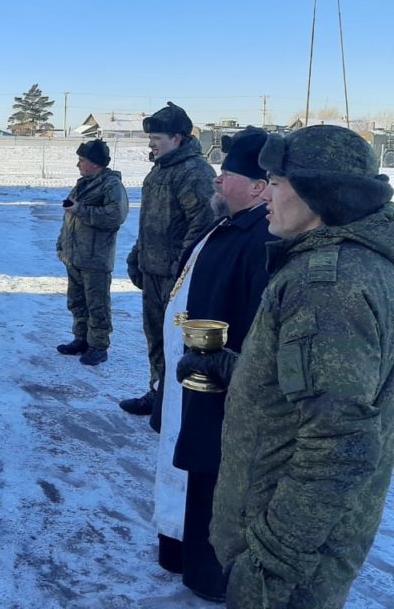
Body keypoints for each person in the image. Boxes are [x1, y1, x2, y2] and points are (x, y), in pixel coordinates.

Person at [210, 125, 394, 609]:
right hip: (304, 545)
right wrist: (235, 369)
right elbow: (324, 389)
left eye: (276, 182)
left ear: (319, 193)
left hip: (290, 563)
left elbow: (339, 443)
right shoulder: (358, 263)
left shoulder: (327, 286)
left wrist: (271, 561)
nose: (265, 193)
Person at [152, 127, 272, 602]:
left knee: (212, 477)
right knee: (186, 468)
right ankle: (179, 548)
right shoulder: (228, 223)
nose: (218, 182)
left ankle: (207, 571)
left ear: (260, 187)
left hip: (218, 390)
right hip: (190, 379)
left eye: (228, 175)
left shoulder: (260, 239)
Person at [122, 102, 216, 415]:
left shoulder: (195, 173)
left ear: (177, 138)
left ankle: (175, 404)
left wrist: (181, 271)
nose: (150, 143)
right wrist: (138, 256)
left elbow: (201, 225)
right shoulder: (159, 170)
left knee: (177, 342)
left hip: (175, 278)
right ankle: (158, 392)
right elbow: (150, 221)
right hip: (153, 271)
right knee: (156, 338)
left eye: (156, 138)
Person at [55, 139, 130, 366]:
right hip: (75, 256)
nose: (78, 165)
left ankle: (98, 346)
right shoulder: (83, 183)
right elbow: (69, 217)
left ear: (95, 164)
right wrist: (62, 245)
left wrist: (81, 209)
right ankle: (81, 339)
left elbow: (115, 216)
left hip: (95, 258)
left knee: (97, 305)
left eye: (82, 160)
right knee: (77, 302)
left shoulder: (111, 186)